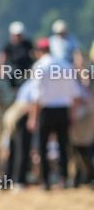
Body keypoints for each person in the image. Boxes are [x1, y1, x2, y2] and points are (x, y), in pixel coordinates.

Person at [28, 38, 82, 189]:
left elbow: (36, 96)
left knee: (42, 146)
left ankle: (45, 181)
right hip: (64, 110)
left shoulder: (39, 67)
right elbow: (75, 94)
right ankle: (63, 179)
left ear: (39, 51)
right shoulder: (66, 65)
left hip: (46, 111)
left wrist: (33, 117)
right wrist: (73, 114)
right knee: (63, 147)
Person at [0, 22, 33, 89]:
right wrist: (1, 69)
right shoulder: (8, 45)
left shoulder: (27, 44)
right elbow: (3, 57)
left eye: (19, 35)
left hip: (27, 68)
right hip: (14, 68)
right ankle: (14, 91)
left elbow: (33, 55)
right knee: (11, 75)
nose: (18, 37)